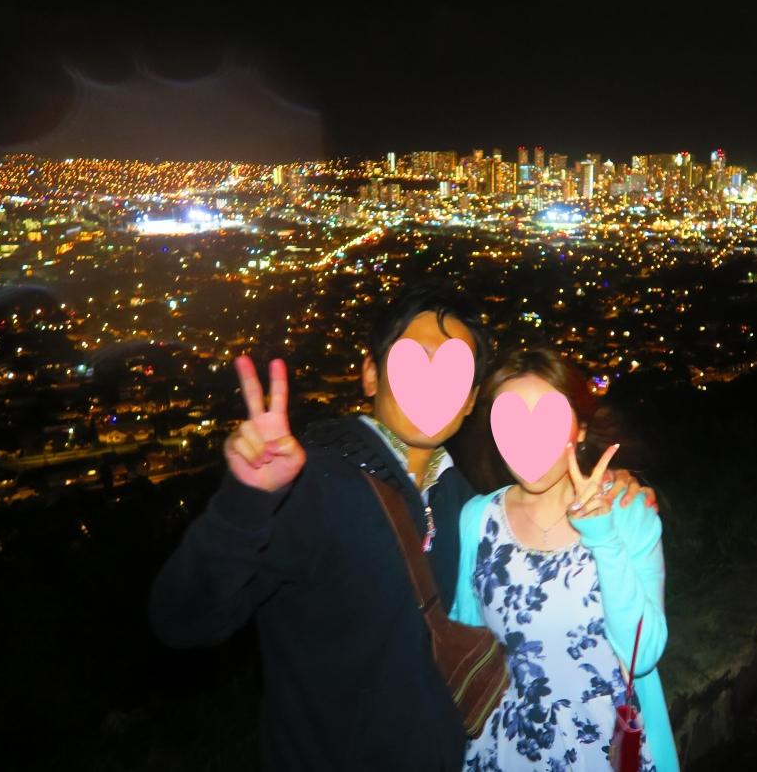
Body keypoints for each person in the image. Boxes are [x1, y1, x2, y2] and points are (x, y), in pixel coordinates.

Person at [148, 281, 655, 771]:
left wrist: (615, 488)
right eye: (413, 361)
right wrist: (246, 501)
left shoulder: (463, 505)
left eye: (453, 372)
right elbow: (184, 619)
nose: (432, 385)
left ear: (470, 401)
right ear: (371, 375)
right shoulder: (314, 487)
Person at [450, 346, 679, 772]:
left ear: (580, 428)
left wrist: (603, 538)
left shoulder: (628, 513)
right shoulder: (477, 520)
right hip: (505, 751)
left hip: (605, 752)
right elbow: (465, 644)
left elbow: (643, 653)